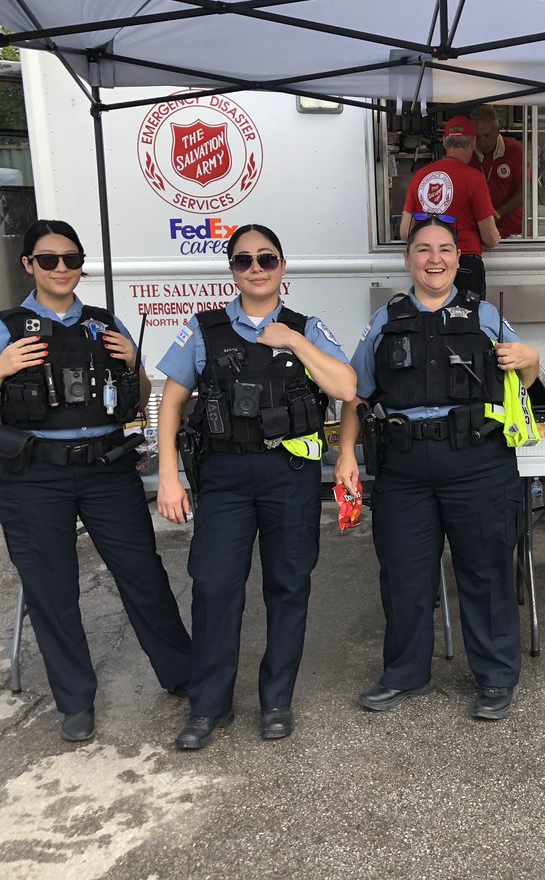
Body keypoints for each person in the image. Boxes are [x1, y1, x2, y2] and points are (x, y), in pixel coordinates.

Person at [0, 219, 192, 743]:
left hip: (107, 470)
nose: (62, 269)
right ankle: (75, 700)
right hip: (35, 477)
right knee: (51, 589)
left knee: (144, 577)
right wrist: (0, 369)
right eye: (49, 260)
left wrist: (136, 364)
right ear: (29, 266)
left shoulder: (105, 324)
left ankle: (182, 674)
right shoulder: (3, 328)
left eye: (71, 259)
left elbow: (137, 397)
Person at [156, 224, 356, 749]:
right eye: (244, 261)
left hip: (287, 473)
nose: (256, 269)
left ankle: (276, 701)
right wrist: (169, 476)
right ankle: (209, 706)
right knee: (215, 586)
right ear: (232, 271)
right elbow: (171, 404)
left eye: (267, 259)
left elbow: (346, 388)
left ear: (282, 267)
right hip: (222, 477)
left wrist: (292, 340)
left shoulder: (305, 327)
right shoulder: (204, 330)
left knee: (289, 586)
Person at [334, 215, 540, 721]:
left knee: (486, 570)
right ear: (408, 260)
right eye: (423, 249)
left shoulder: (486, 316)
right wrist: (345, 455)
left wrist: (531, 356)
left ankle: (494, 678)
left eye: (445, 249)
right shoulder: (386, 320)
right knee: (404, 574)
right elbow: (357, 394)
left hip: (478, 462)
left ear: (458, 258)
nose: (435, 259)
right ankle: (404, 674)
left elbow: (527, 378)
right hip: (404, 468)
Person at [401, 115, 500, 297]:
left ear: (445, 141)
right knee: (466, 323)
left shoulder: (420, 176)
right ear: (473, 142)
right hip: (464, 265)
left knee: (430, 321)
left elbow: (405, 232)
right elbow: (491, 238)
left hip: (427, 263)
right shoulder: (474, 178)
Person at [470, 104, 525, 240]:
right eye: (477, 136)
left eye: (487, 136)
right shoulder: (467, 152)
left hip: (512, 230)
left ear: (497, 131)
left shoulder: (515, 151)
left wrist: (496, 215)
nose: (482, 142)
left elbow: (524, 191)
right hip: (475, 231)